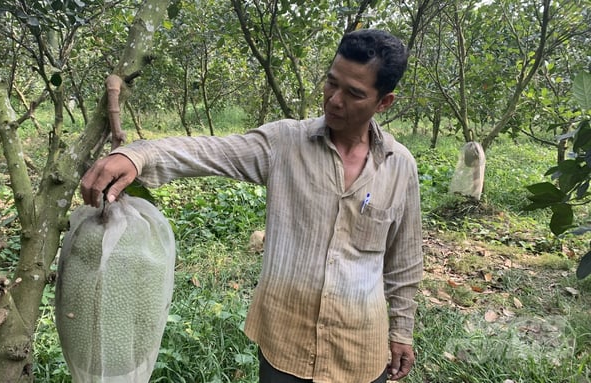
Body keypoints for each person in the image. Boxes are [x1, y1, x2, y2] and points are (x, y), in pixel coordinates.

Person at [81, 28, 423, 383]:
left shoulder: (400, 167)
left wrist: (401, 331)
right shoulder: (284, 143)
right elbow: (209, 152)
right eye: (331, 83)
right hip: (285, 343)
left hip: (360, 350)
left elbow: (404, 260)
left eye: (354, 94)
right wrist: (136, 155)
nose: (334, 100)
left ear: (384, 102)